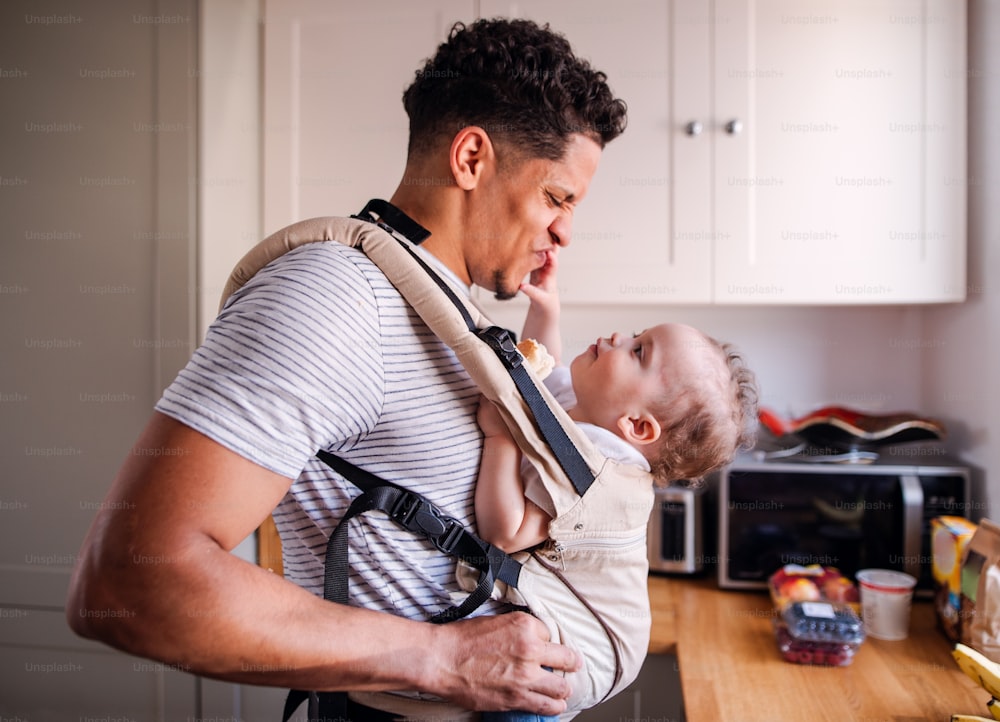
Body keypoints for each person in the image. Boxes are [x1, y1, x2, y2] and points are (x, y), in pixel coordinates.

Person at [66, 17, 627, 722]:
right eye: (557, 197)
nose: (565, 231)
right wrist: (444, 658)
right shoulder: (338, 297)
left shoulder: (444, 312)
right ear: (472, 158)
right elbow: (126, 581)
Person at [474, 253, 758, 722]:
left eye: (638, 351)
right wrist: (547, 310)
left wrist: (500, 436)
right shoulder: (593, 404)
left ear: (637, 427)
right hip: (580, 628)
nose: (616, 337)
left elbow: (507, 531)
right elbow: (540, 379)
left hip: (589, 647)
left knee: (514, 700)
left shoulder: (598, 471)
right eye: (637, 334)